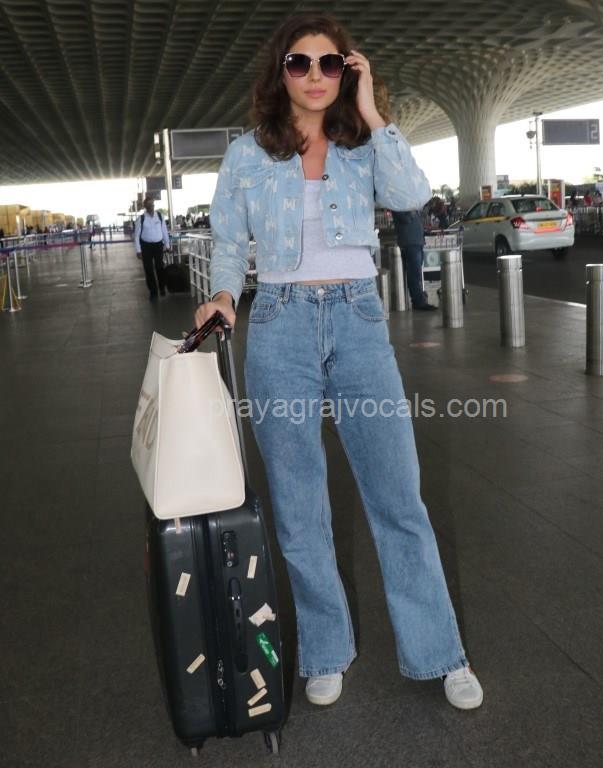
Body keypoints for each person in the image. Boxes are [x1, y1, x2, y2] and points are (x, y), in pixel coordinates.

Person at [194, 12, 483, 712]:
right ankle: (326, 650)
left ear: (347, 71)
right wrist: (223, 296)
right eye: (300, 63)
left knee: (398, 496)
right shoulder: (247, 154)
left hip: (357, 321)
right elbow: (228, 241)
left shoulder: (362, 143)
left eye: (330, 63)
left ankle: (439, 653)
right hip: (280, 324)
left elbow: (411, 197)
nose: (315, 76)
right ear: (280, 73)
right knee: (298, 507)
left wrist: (373, 109)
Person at [390, 209, 437, 310]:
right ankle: (418, 301)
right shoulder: (398, 205)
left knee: (416, 273)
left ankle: (419, 298)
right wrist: (413, 210)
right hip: (409, 242)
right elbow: (405, 219)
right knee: (414, 274)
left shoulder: (411, 205)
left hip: (417, 241)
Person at [134, 195, 170, 299]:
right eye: (149, 204)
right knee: (148, 269)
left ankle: (162, 288)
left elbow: (164, 231)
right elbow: (136, 236)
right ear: (145, 206)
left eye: (152, 204)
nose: (151, 206)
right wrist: (138, 251)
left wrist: (167, 245)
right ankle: (153, 291)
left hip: (158, 246)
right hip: (146, 247)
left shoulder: (160, 216)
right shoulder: (141, 219)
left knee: (160, 267)